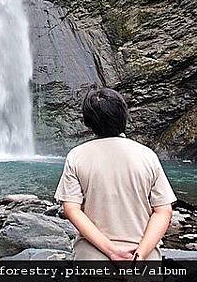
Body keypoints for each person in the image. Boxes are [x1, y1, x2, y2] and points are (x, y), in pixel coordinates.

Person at [55, 87, 176, 261]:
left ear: (88, 122)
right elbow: (163, 212)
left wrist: (112, 252)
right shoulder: (147, 155)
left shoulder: (77, 156)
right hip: (144, 263)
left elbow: (72, 209)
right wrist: (140, 255)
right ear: (124, 116)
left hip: (93, 261)